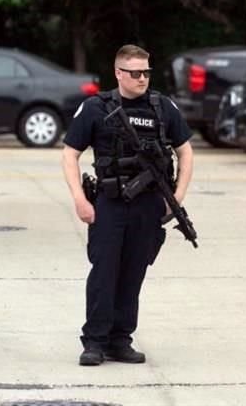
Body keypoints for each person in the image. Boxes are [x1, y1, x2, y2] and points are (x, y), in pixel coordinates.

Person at [62, 44, 193, 366]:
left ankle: (120, 340)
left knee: (133, 273)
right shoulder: (95, 107)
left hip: (149, 205)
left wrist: (177, 197)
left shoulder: (163, 107)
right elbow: (70, 154)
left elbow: (185, 151)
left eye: (146, 72)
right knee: (104, 273)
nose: (142, 79)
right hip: (110, 203)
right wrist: (79, 199)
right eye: (135, 73)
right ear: (119, 73)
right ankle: (94, 341)